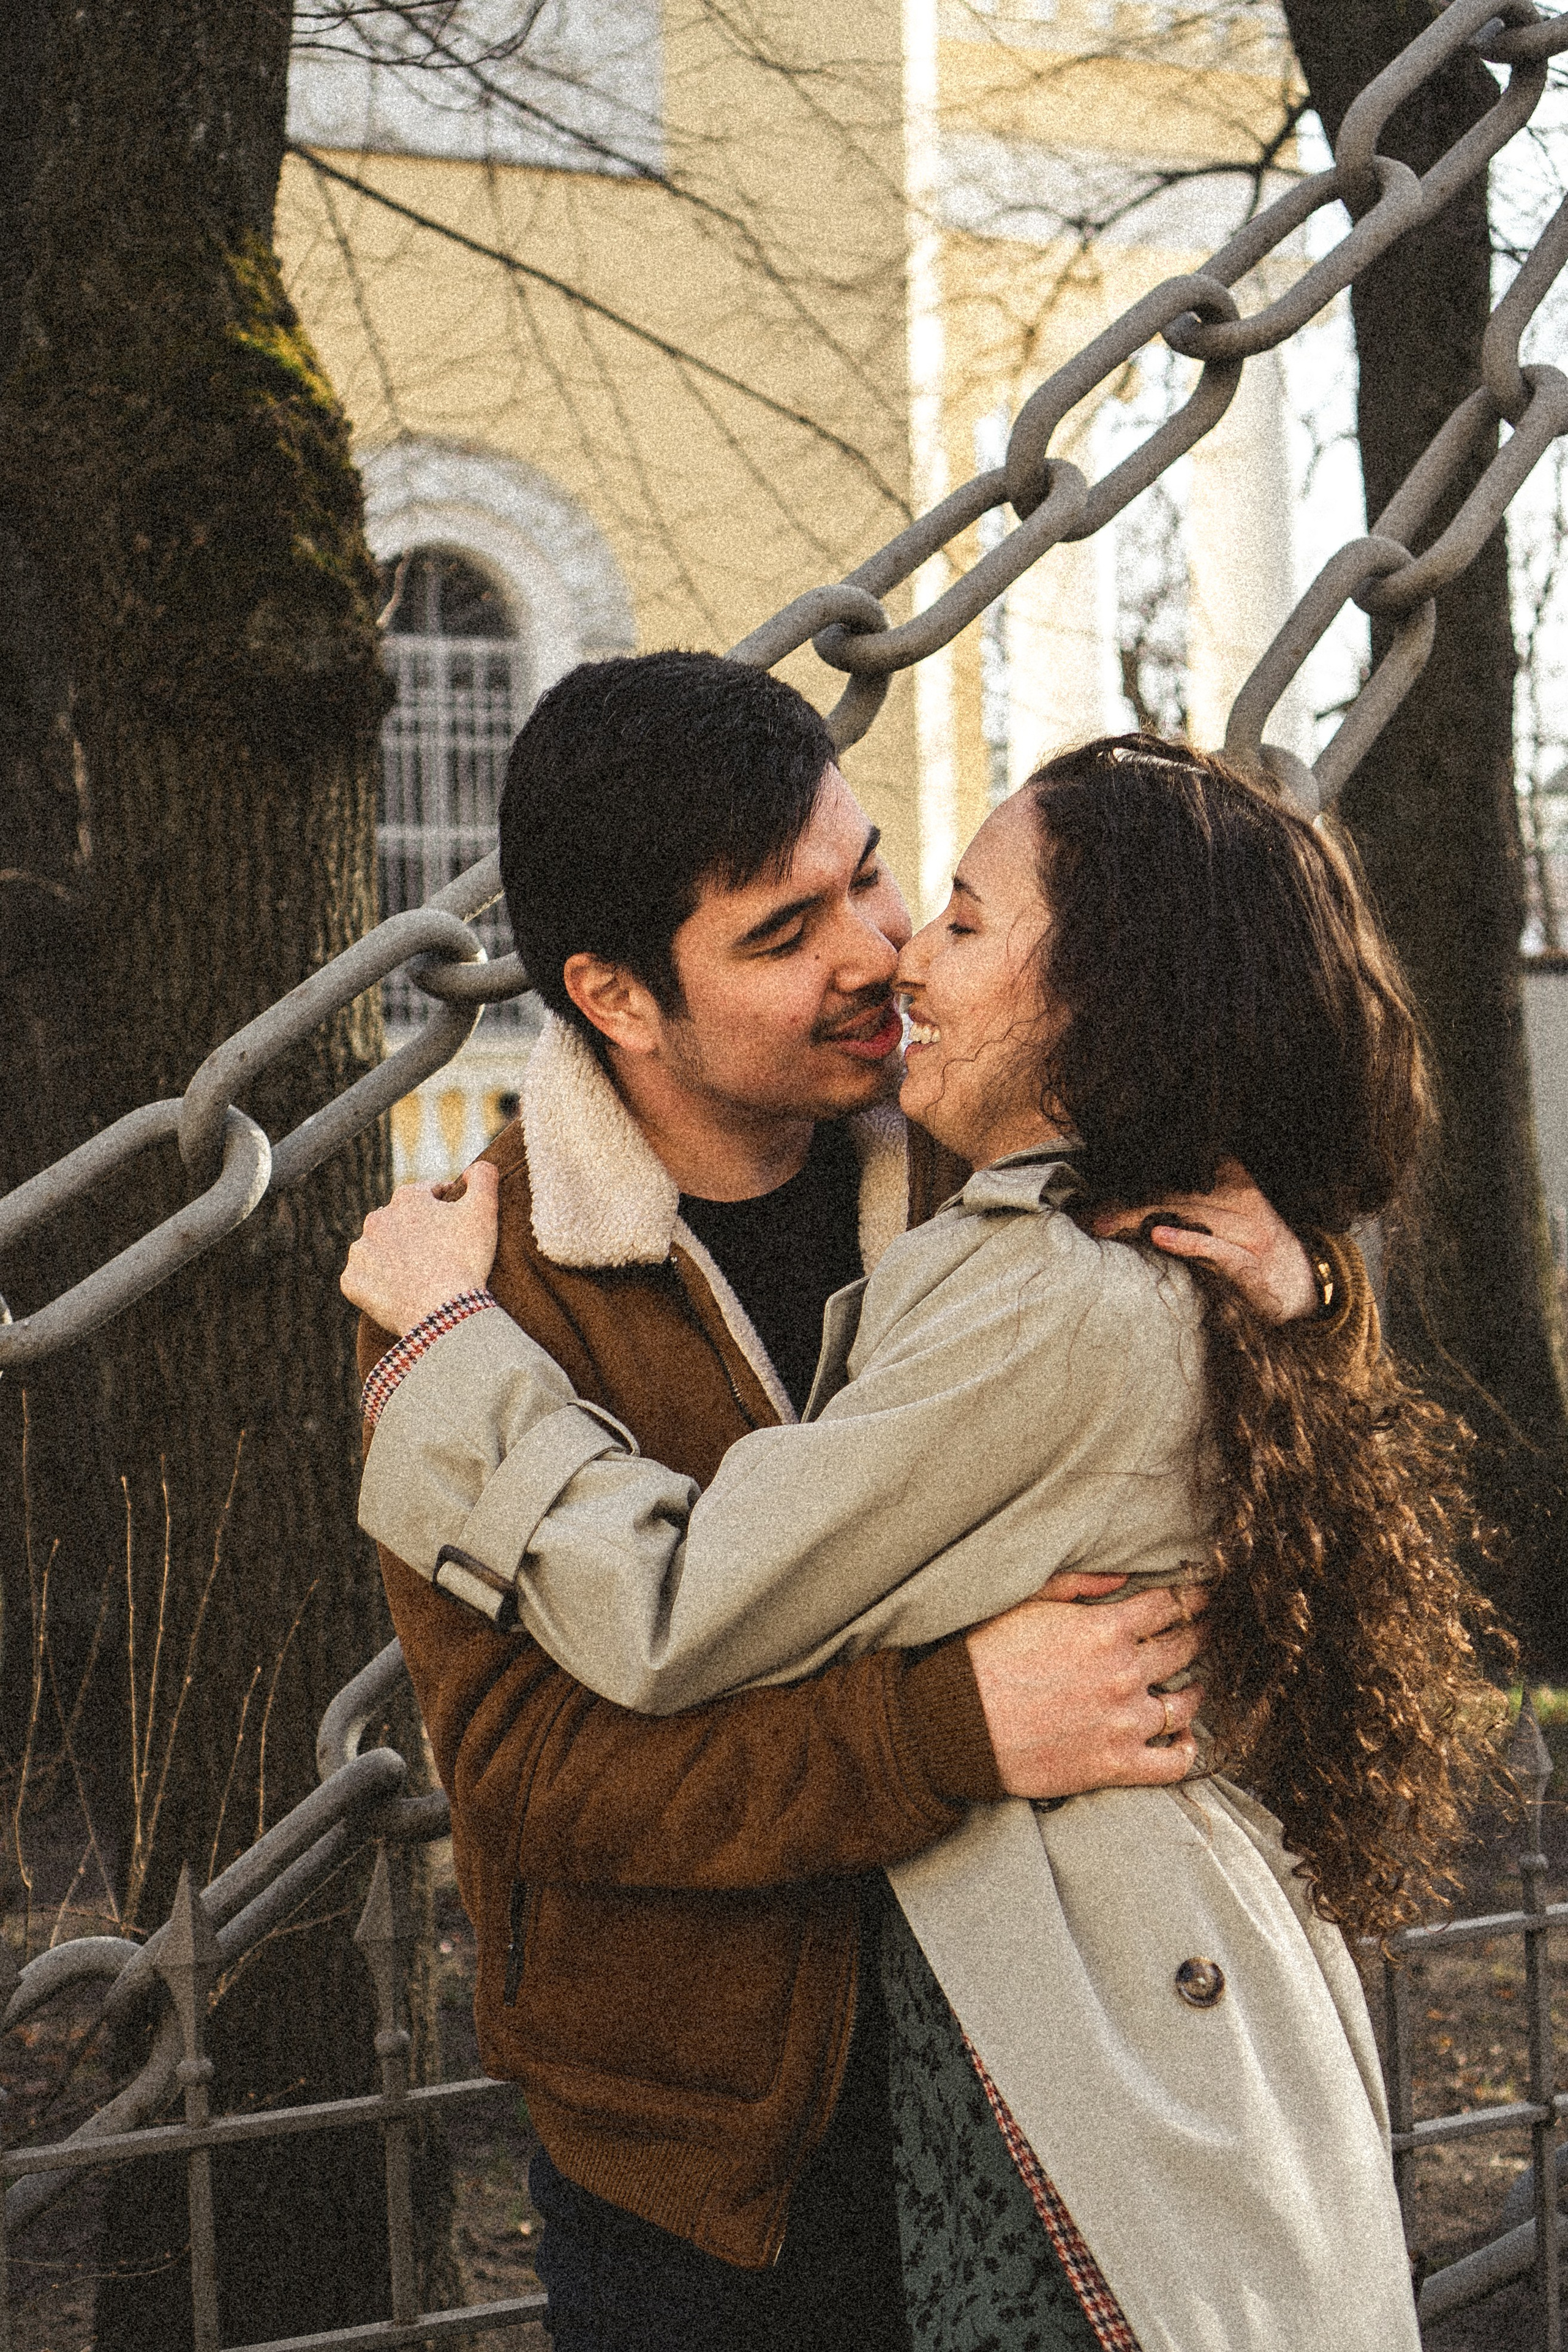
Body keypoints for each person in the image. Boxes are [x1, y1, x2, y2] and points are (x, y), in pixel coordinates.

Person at [349, 733, 1503, 2352]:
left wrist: (1317, 1298)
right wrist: (950, 1727)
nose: (878, 951)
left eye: (886, 880)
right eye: (780, 932)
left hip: (1049, 2072)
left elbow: (1219, 1444)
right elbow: (538, 1772)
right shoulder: (488, 1277)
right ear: (617, 996)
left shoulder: (1015, 1162)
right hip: (712, 2152)